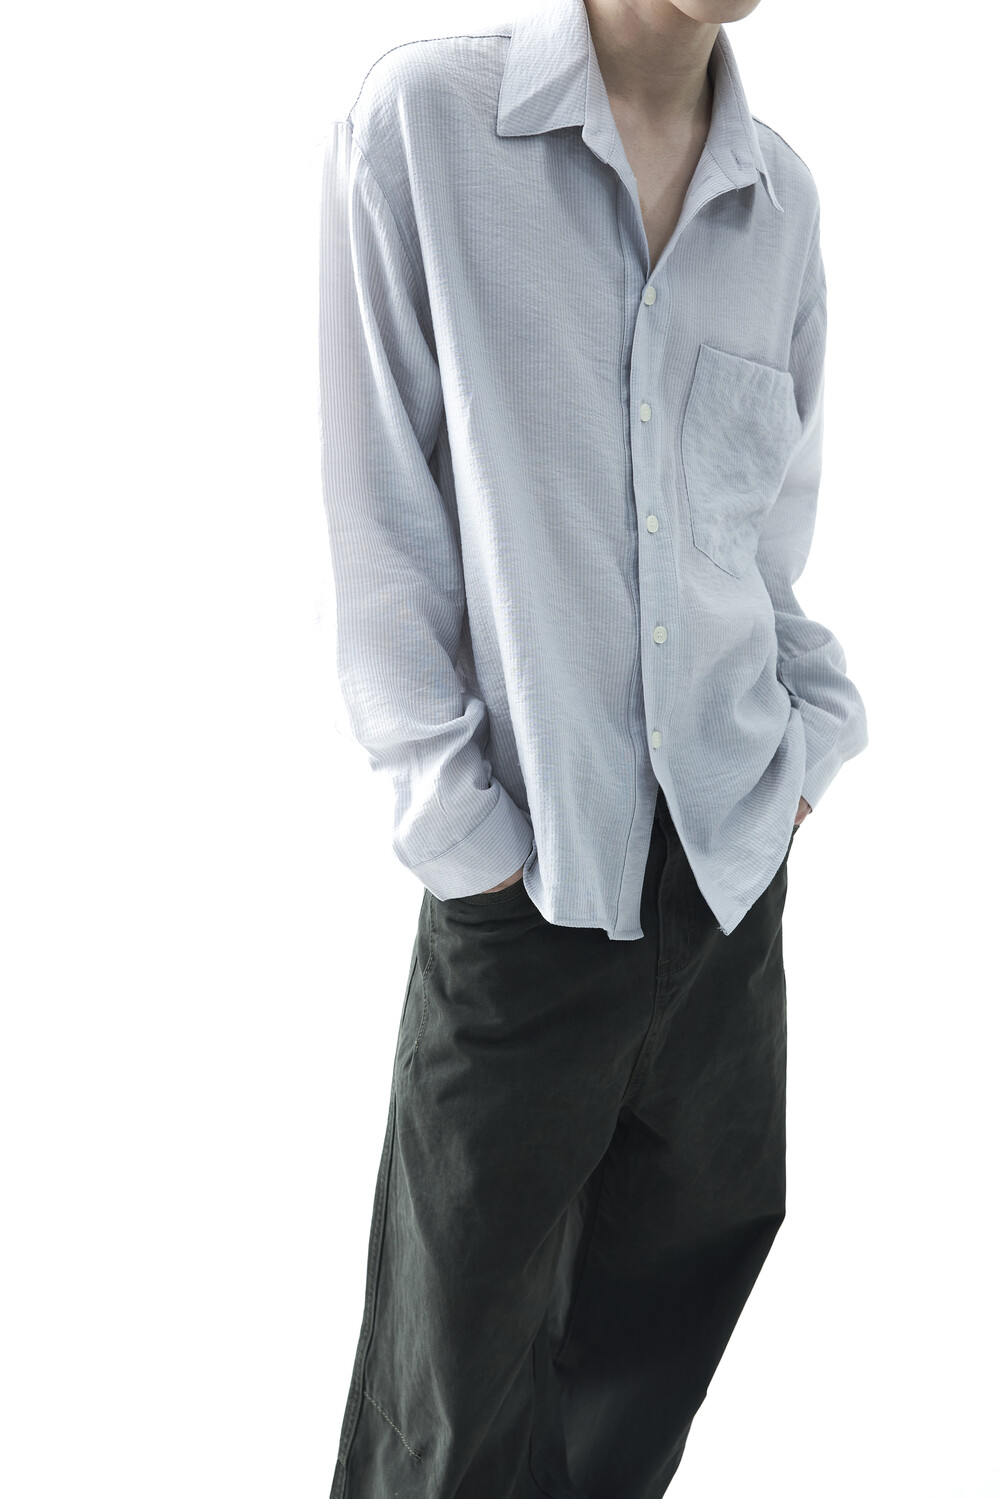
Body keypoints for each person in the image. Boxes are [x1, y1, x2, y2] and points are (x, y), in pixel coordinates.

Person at [317, 0, 868, 1493]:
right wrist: (470, 843)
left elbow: (762, 547)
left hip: (729, 886)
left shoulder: (781, 200)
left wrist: (806, 749)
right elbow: (380, 529)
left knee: (645, 1372)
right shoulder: (427, 125)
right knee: (444, 1416)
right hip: (531, 891)